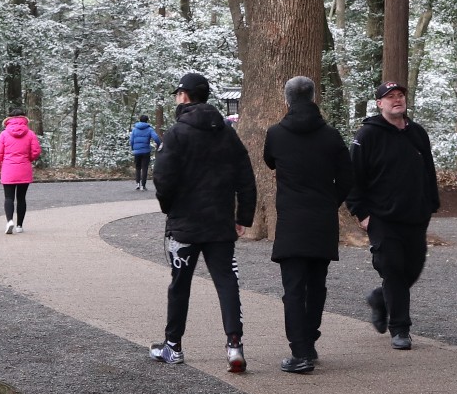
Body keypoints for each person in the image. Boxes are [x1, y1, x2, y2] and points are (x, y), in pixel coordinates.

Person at [150, 70, 256, 371]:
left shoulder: (176, 133)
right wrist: (242, 216)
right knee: (227, 281)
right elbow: (245, 177)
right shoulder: (227, 133)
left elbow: (163, 177)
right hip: (220, 223)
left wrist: (169, 207)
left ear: (183, 96)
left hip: (184, 224)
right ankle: (234, 345)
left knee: (180, 284)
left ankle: (173, 346)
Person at [260, 75, 353, 374]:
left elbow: (270, 161)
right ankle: (309, 343)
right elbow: (348, 178)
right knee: (317, 286)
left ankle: (299, 352)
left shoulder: (276, 134)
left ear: (286, 100)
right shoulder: (331, 136)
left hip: (291, 221)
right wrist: (330, 201)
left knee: (293, 289)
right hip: (322, 220)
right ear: (314, 98)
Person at [347, 81, 439, 352]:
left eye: (400, 96)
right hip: (381, 217)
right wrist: (361, 213)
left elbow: (428, 171)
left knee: (413, 268)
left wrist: (431, 203)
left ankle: (380, 298)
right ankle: (401, 330)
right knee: (393, 269)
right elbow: (353, 177)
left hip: (416, 215)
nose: (397, 100)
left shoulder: (417, 133)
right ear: (380, 104)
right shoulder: (367, 135)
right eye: (390, 97)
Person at [0, 114, 43, 234]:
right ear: (24, 119)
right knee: (21, 198)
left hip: (8, 170)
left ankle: (9, 221)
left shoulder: (4, 134)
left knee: (8, 197)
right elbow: (36, 151)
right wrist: (28, 158)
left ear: (9, 119)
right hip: (24, 169)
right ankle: (19, 226)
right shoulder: (30, 134)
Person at [128, 114, 159, 190]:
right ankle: (143, 185)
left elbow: (131, 140)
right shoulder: (149, 129)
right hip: (146, 151)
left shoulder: (135, 129)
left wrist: (133, 148)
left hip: (137, 151)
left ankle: (137, 184)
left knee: (138, 168)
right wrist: (159, 144)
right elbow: (156, 137)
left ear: (140, 120)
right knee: (144, 168)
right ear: (147, 120)